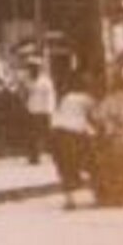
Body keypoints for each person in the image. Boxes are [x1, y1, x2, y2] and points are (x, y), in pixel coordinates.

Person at [90, 63, 123, 205]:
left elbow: (97, 116)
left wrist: (110, 127)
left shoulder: (113, 98)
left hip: (117, 142)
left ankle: (121, 193)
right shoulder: (116, 99)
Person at [50, 72, 95, 210]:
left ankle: (69, 199)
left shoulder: (66, 97)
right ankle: (95, 191)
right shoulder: (87, 99)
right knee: (89, 162)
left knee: (65, 166)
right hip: (75, 134)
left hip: (58, 132)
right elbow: (94, 117)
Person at [23, 60, 56, 165]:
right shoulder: (28, 81)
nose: (32, 70)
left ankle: (56, 155)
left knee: (47, 135)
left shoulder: (45, 81)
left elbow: (51, 96)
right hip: (32, 110)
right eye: (30, 68)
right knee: (33, 135)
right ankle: (34, 157)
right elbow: (26, 94)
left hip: (44, 110)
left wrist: (50, 110)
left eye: (34, 68)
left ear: (39, 69)